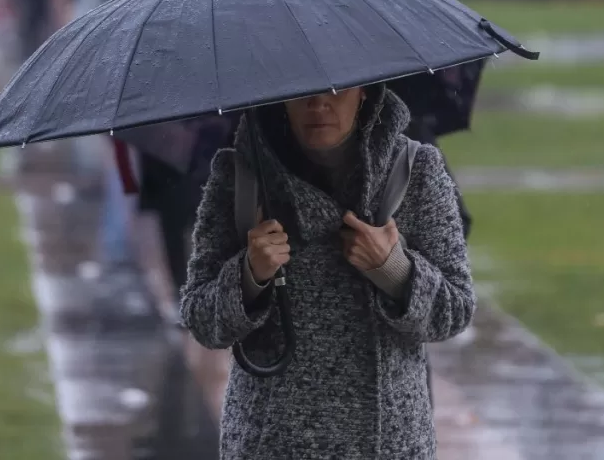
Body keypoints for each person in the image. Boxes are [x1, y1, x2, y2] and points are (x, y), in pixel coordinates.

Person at [180, 84, 475, 458]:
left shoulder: (415, 171)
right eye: (301, 89)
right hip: (269, 443)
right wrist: (249, 275)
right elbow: (200, 319)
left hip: (386, 443)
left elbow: (455, 310)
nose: (317, 103)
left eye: (337, 89)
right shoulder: (239, 176)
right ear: (280, 96)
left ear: (365, 90)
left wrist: (393, 270)